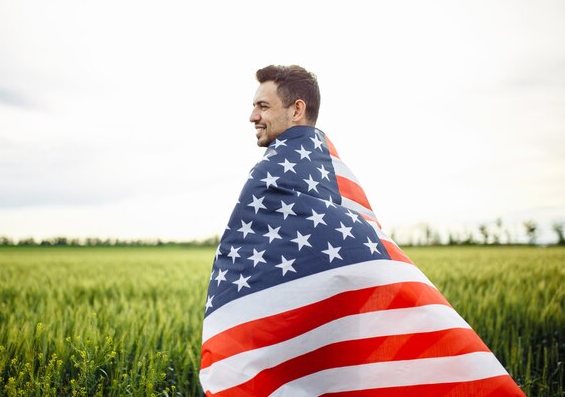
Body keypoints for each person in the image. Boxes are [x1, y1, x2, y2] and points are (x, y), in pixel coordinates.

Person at [199, 65, 526, 397]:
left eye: (263, 106)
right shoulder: (331, 169)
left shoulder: (275, 173)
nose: (252, 115)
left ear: (297, 109)